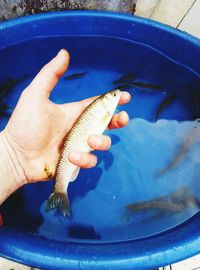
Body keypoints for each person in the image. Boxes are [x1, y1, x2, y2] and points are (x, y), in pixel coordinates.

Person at [0, 49, 131, 205]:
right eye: (114, 96)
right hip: (72, 148)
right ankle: (60, 190)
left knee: (87, 152)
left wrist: (11, 157)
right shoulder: (104, 110)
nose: (116, 96)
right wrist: (12, 154)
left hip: (72, 148)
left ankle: (60, 190)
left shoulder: (104, 110)